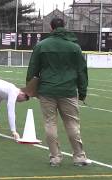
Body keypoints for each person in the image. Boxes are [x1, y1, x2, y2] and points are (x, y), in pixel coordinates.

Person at [25, 18, 91, 167]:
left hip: (47, 90)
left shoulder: (41, 46)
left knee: (50, 123)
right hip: (68, 90)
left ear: (51, 27)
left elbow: (32, 70)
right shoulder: (74, 47)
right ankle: (79, 157)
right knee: (72, 124)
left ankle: (55, 157)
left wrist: (31, 89)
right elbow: (82, 71)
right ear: (64, 27)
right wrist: (82, 91)